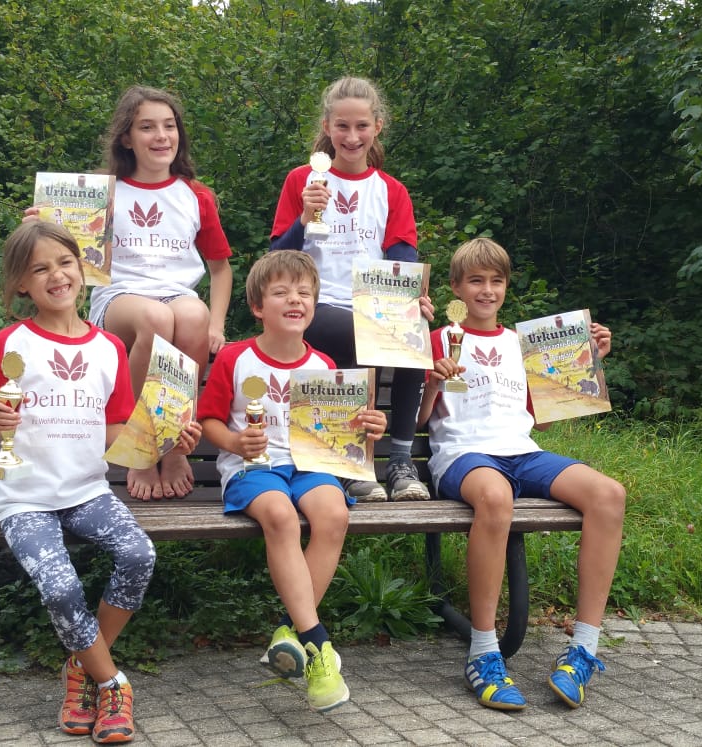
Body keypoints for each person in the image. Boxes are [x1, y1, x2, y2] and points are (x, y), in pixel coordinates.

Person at [0, 221, 202, 742]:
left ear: (83, 269)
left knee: (139, 554)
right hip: (24, 497)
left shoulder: (108, 348)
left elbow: (116, 430)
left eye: (65, 262)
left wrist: (167, 439)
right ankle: (112, 684)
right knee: (61, 588)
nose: (56, 275)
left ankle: (81, 668)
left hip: (87, 492)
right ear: (21, 284)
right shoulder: (10, 343)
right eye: (40, 269)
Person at [417, 237, 626, 712]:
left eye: (497, 281)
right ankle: (483, 654)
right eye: (476, 281)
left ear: (506, 287)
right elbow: (417, 421)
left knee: (609, 495)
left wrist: (588, 361)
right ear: (456, 287)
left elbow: (544, 420)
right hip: (463, 455)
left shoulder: (523, 344)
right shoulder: (438, 338)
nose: (487, 290)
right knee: (496, 498)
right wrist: (432, 381)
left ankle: (583, 651)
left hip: (523, 452)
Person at [198, 251, 387, 713]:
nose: (295, 299)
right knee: (280, 516)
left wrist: (369, 427)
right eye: (281, 292)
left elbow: (343, 434)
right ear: (258, 307)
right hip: (253, 468)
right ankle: (318, 645)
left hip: (310, 465)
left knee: (334, 515)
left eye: (304, 293)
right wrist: (235, 441)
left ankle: (290, 631)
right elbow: (208, 420)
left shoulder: (325, 364)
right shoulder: (236, 357)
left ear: (315, 306)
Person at [27, 85, 232, 501]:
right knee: (156, 318)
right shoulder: (101, 193)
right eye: (147, 127)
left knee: (192, 316)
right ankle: (140, 447)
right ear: (126, 137)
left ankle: (173, 446)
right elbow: (58, 255)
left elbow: (220, 268)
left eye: (169, 126)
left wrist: (217, 324)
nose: (161, 136)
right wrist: (38, 225)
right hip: (118, 300)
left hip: (177, 296)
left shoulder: (196, 195)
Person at [270, 76, 430, 503]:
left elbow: (403, 261)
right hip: (314, 305)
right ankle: (354, 464)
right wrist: (304, 218)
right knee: (364, 333)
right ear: (327, 127)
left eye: (361, 126)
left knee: (414, 335)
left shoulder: (391, 191)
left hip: (373, 307)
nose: (352, 136)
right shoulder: (302, 181)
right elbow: (275, 262)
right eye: (342, 126)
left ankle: (400, 462)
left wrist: (413, 299)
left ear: (378, 126)